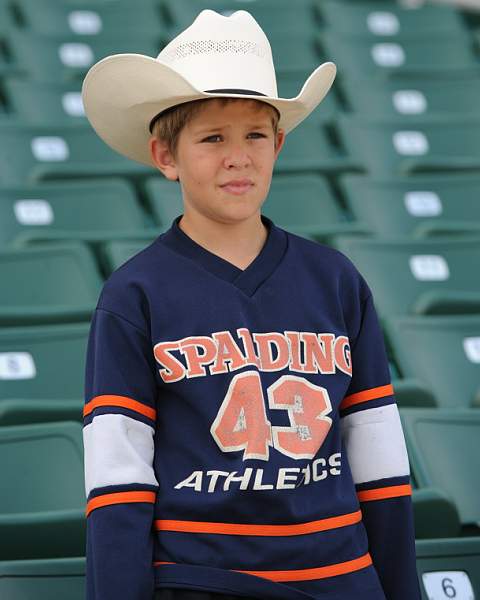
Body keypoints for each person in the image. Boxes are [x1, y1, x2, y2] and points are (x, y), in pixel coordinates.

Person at [81, 9, 421, 600]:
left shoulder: (336, 280)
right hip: (205, 582)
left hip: (343, 578)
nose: (238, 156)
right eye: (212, 138)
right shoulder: (134, 295)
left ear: (279, 144)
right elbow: (119, 481)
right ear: (166, 155)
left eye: (255, 135)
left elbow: (380, 462)